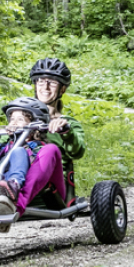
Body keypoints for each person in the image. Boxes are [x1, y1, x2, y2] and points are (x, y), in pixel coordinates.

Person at [17, 57, 87, 212]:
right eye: (41, 81)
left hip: (50, 193)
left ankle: (17, 200)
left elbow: (77, 151)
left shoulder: (69, 123)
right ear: (35, 85)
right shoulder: (20, 119)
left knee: (48, 151)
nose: (46, 87)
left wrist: (66, 132)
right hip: (15, 179)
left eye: (52, 82)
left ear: (62, 89)